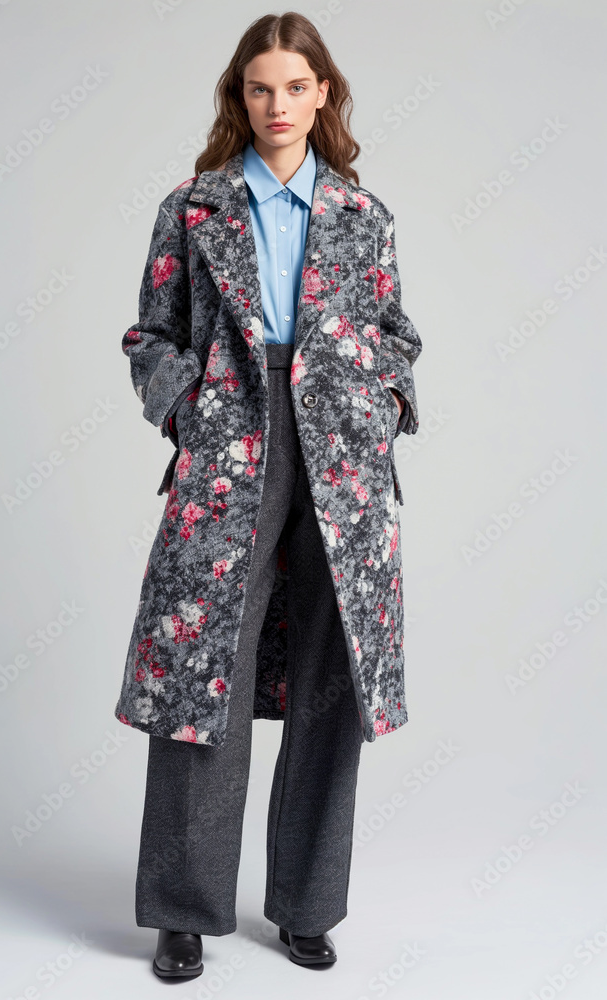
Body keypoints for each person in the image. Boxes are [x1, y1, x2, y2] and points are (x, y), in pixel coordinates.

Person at [114, 11, 422, 980]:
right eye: (259, 88)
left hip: (343, 458)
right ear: (238, 98)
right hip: (230, 448)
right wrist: (190, 410)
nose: (277, 105)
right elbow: (149, 335)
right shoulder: (193, 207)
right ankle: (182, 910)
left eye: (294, 87)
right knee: (203, 675)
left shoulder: (364, 216)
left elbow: (397, 334)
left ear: (322, 93)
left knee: (333, 680)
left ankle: (307, 906)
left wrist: (381, 401)